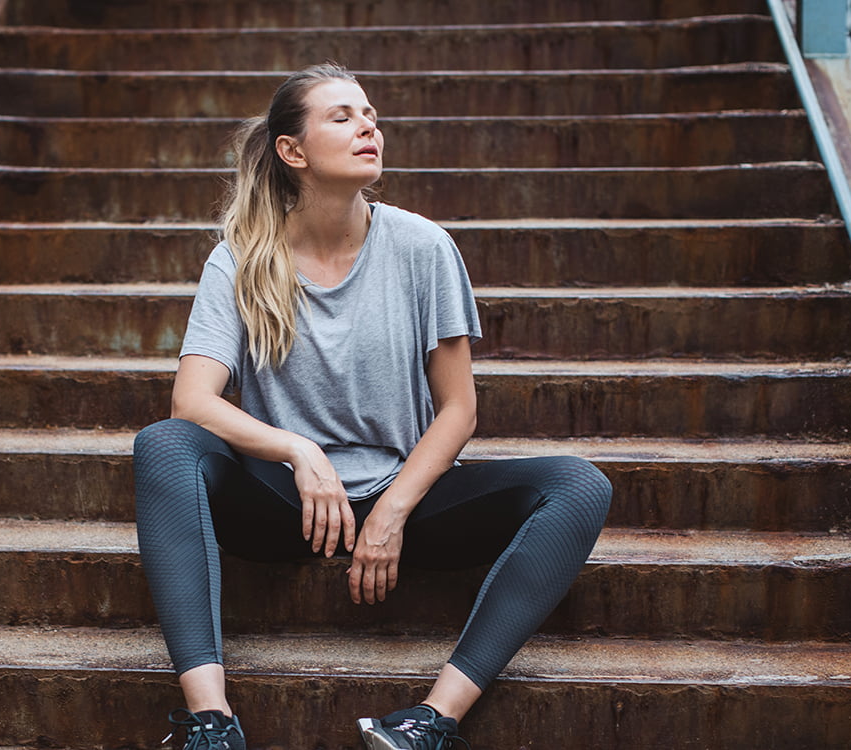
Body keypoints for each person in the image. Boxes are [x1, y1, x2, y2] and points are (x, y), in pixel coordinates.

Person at [133, 63, 612, 750]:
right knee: (163, 444)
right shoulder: (239, 259)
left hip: (403, 501)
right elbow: (193, 401)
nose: (368, 127)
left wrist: (392, 510)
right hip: (289, 506)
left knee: (578, 486)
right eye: (342, 116)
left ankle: (433, 720)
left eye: (371, 116)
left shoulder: (423, 248)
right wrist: (298, 451)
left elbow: (458, 410)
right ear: (291, 151)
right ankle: (212, 722)